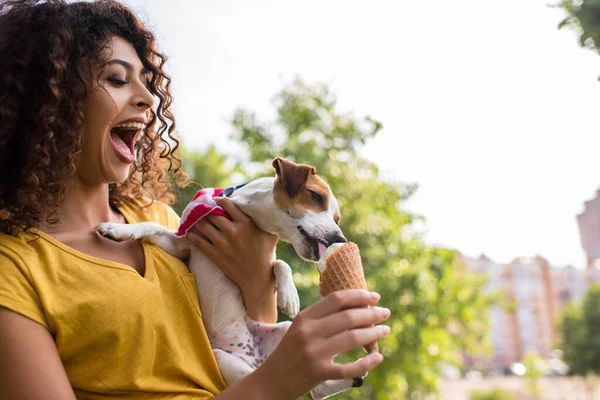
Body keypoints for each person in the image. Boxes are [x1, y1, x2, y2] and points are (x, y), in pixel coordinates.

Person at [0, 1, 391, 399]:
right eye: (117, 79)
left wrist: (258, 283)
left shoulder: (161, 218)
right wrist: (276, 381)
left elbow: (238, 344)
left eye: (145, 80)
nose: (148, 99)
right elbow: (263, 383)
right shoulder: (13, 270)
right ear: (47, 98)